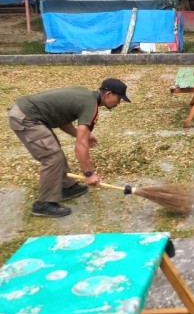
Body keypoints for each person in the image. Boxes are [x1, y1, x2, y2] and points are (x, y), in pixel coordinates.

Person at [8, 78, 131, 218]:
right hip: (26, 117)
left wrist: (79, 134)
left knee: (54, 151)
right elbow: (81, 145)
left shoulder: (85, 95)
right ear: (108, 94)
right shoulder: (91, 106)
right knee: (52, 156)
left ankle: (65, 186)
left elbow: (62, 118)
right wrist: (89, 174)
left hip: (29, 113)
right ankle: (43, 204)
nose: (119, 103)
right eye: (119, 98)